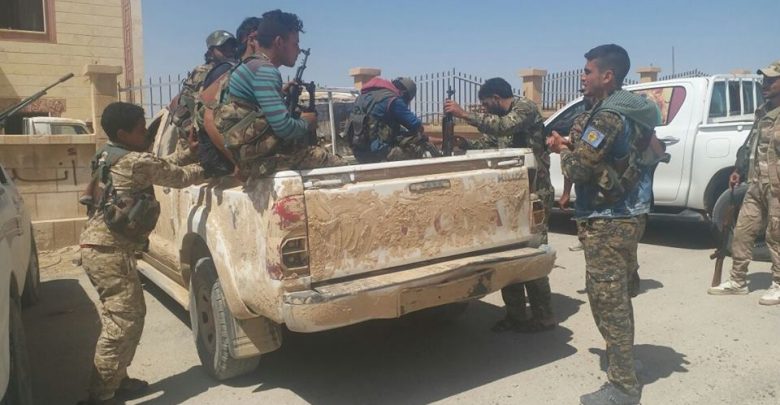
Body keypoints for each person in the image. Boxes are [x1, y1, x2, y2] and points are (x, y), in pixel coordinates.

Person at [547, 44, 661, 405]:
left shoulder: (608, 116)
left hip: (609, 221)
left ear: (607, 76)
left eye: (588, 71)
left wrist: (562, 150)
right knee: (619, 296)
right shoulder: (632, 109)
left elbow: (580, 168)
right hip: (631, 213)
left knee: (608, 302)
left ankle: (623, 386)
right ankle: (627, 364)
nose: (583, 77)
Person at [78, 102, 205, 405]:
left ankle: (117, 380)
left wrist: (187, 151)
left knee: (130, 316)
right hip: (109, 250)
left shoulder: (108, 154)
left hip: (101, 247)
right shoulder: (135, 161)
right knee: (122, 322)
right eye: (140, 129)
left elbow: (159, 165)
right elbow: (178, 177)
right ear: (123, 133)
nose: (146, 132)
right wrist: (210, 164)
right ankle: (101, 394)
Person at [444, 77, 556, 333]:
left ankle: (544, 316)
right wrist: (465, 144)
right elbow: (492, 141)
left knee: (532, 252)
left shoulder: (524, 108)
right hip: (510, 193)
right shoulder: (502, 117)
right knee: (508, 253)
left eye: (486, 104)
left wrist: (464, 114)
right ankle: (516, 315)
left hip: (534, 192)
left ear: (496, 97)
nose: (484, 109)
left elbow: (504, 128)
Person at [215, 9, 344, 177]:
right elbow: (284, 128)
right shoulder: (265, 71)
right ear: (279, 42)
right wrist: (307, 122)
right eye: (295, 44)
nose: (298, 50)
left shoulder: (249, 65)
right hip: (259, 162)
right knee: (338, 165)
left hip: (246, 158)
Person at [708, 60, 780, 305]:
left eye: (771, 80)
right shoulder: (763, 111)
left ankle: (778, 283)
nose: (765, 85)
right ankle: (738, 281)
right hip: (756, 184)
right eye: (764, 80)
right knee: (743, 231)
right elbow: (751, 143)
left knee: (776, 235)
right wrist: (738, 169)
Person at [346, 76, 428, 163]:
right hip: (379, 153)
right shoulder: (391, 99)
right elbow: (416, 125)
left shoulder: (362, 97)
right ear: (404, 93)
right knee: (419, 142)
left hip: (359, 152)